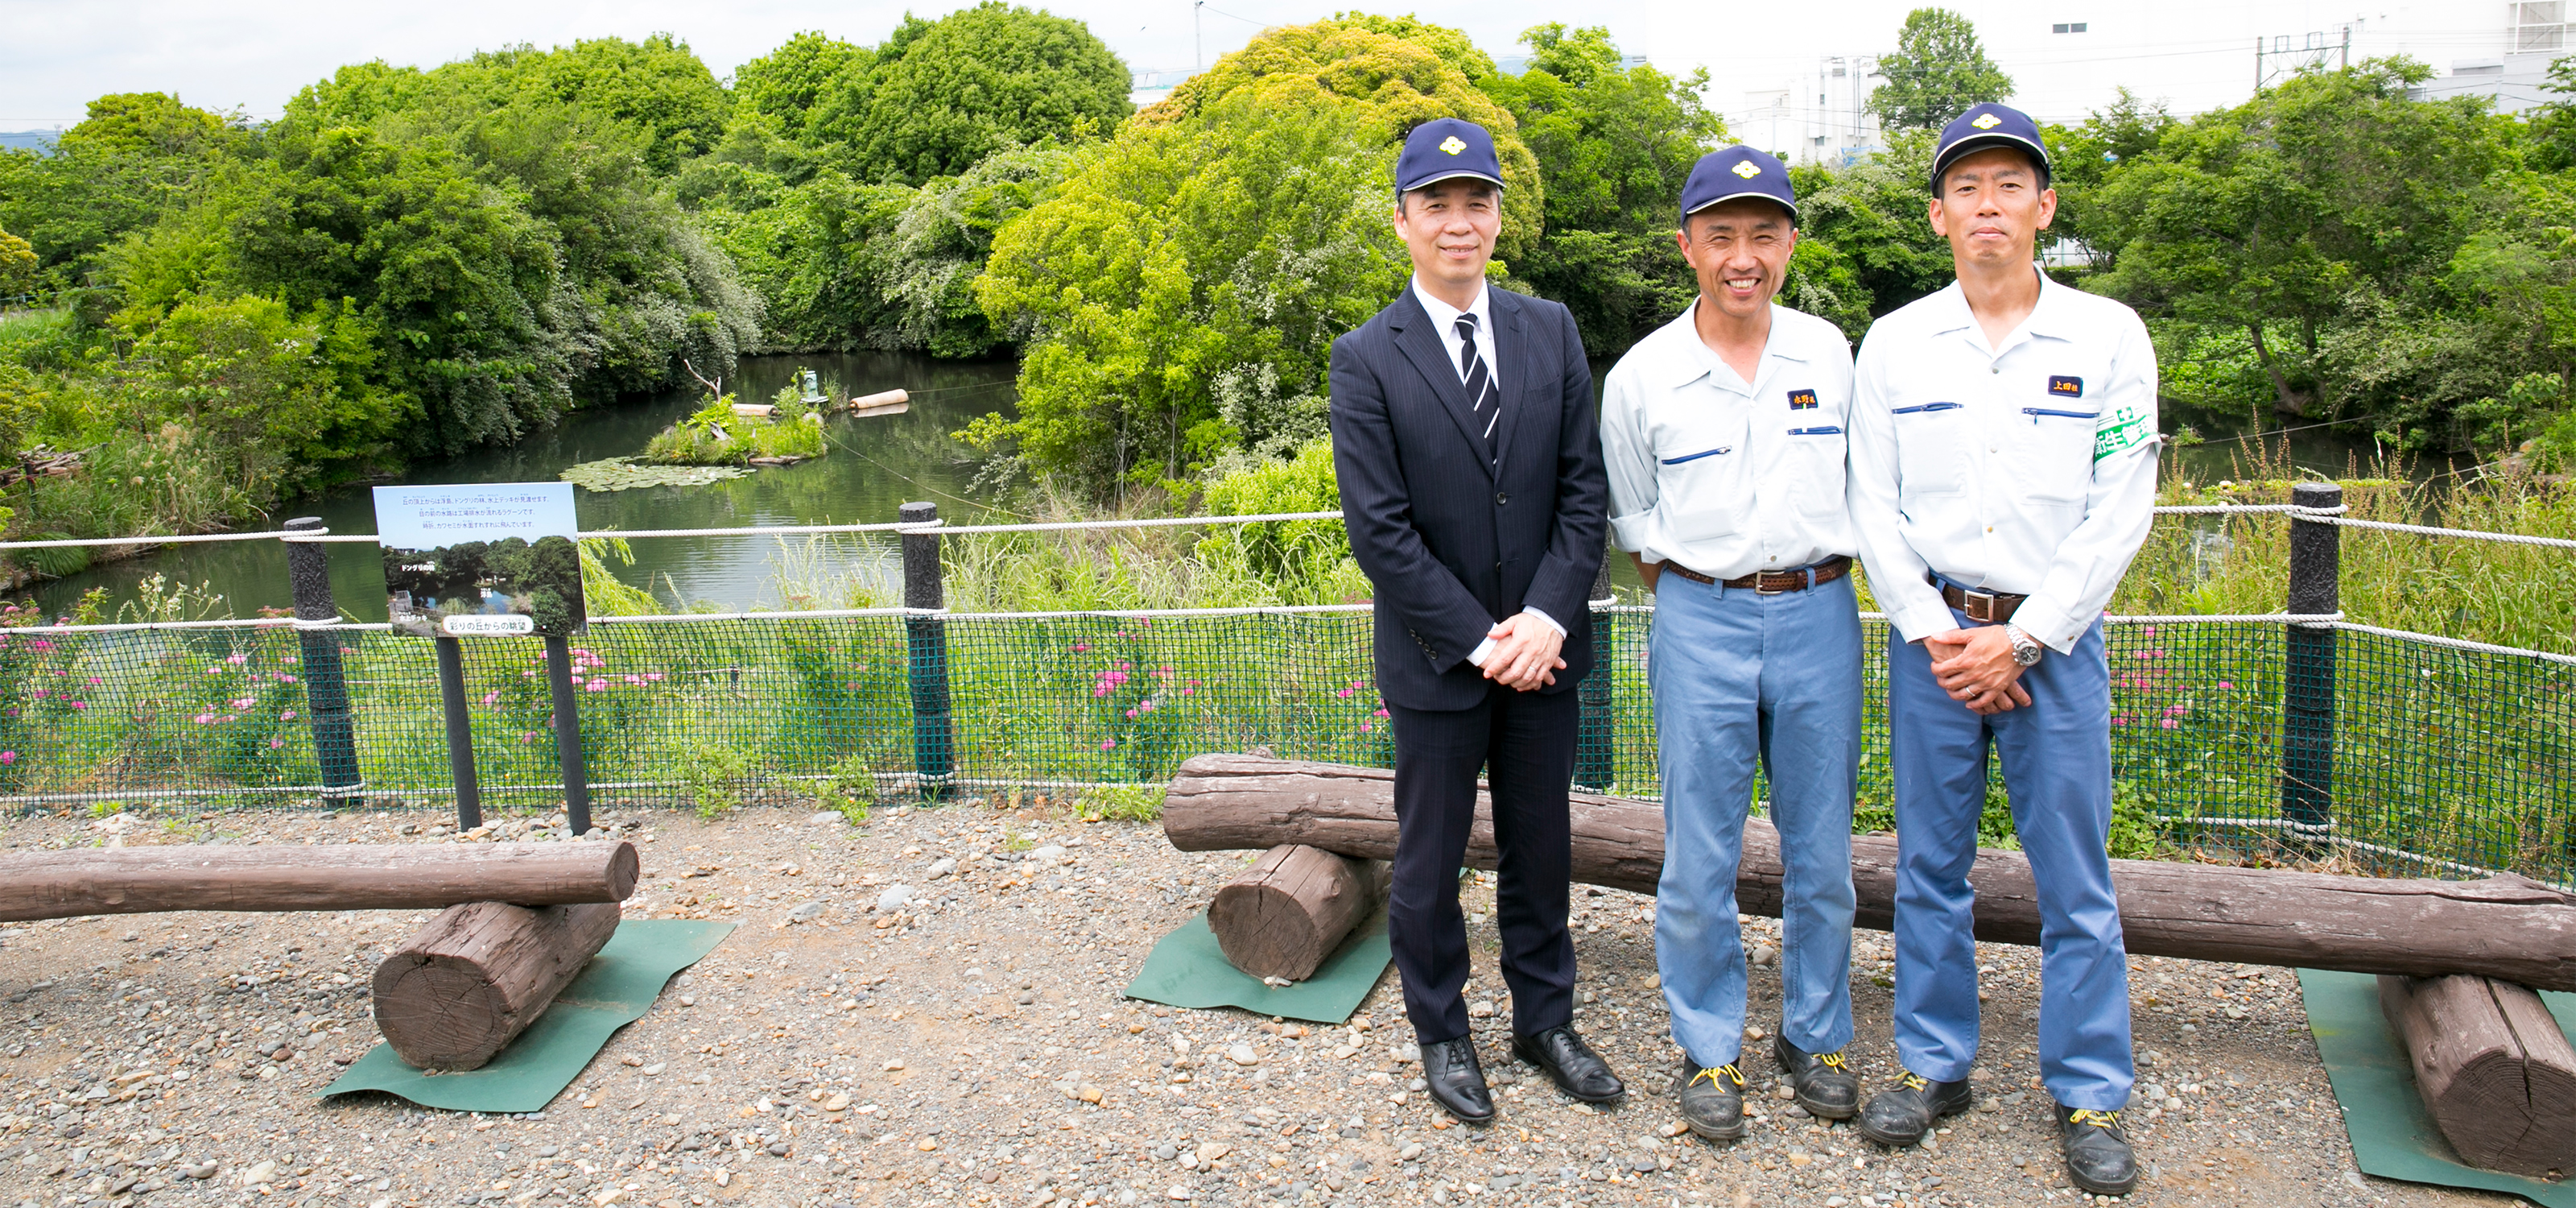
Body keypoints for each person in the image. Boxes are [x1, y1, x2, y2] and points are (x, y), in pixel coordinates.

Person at [1844, 101, 2159, 1198]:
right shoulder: (1895, 343)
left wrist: (2021, 639)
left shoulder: (2109, 337)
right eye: (1967, 188)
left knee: (2076, 878)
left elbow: (2121, 509)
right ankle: (1937, 1066)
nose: (1989, 205)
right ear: (1939, 214)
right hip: (1933, 643)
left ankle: (2087, 1089)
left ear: (2045, 206)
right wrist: (1944, 636)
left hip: (2055, 644)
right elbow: (1870, 511)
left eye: (2009, 185)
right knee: (1930, 868)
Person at [1329, 117, 1619, 1125]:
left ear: (1498, 214)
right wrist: (1482, 637)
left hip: (1546, 654)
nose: (1460, 223)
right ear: (1402, 219)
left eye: (1476, 202)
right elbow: (1381, 531)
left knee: (1542, 851)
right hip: (1437, 661)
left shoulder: (1550, 330)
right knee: (1429, 857)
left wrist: (1544, 616)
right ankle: (1442, 1031)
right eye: (1436, 205)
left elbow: (1584, 495)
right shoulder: (1365, 357)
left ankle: (1544, 1022)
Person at [1597, 146, 1863, 1143]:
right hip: (1698, 616)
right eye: (1721, 237)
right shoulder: (1641, 377)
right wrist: (1708, 594)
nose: (1741, 256)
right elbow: (1634, 522)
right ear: (1686, 248)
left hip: (1819, 611)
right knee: (1697, 853)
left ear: (1789, 243)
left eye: (1762, 234)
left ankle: (1817, 1034)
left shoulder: (1830, 354)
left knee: (1821, 847)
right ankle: (1709, 1047)